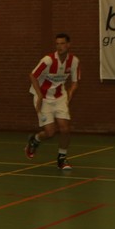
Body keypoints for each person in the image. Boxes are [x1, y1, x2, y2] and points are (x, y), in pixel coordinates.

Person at [25, 33, 80, 171]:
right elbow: (32, 75)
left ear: (68, 45)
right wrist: (39, 95)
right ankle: (35, 139)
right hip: (43, 98)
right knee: (50, 132)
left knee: (65, 128)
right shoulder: (48, 60)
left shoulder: (74, 61)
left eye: (62, 43)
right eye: (57, 44)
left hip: (60, 96)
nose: (59, 46)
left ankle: (62, 158)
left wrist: (70, 94)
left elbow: (75, 82)